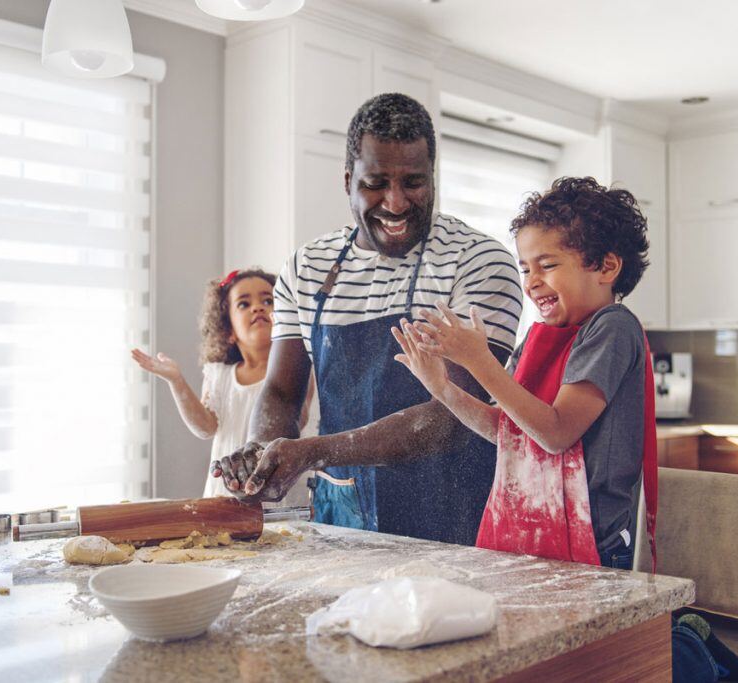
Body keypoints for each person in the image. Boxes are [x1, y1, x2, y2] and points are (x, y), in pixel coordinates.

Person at [213, 93, 523, 545]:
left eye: (414, 183)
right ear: (348, 181)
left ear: (434, 179)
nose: (396, 203)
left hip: (455, 517)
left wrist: (313, 452)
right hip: (341, 522)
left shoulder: (477, 261)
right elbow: (281, 391)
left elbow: (454, 416)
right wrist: (261, 455)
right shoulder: (307, 268)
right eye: (376, 183)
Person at [393, 176, 657, 568]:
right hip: (531, 537)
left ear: (607, 267)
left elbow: (555, 432)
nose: (532, 283)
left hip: (593, 552)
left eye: (547, 266)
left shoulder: (612, 328)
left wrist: (480, 361)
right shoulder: (536, 339)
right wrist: (443, 388)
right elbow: (506, 433)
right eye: (525, 269)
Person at [132, 268, 314, 500]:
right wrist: (176, 381)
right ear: (228, 330)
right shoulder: (219, 374)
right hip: (226, 491)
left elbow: (298, 419)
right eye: (243, 304)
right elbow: (206, 427)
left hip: (276, 491)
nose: (258, 307)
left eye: (268, 300)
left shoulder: (299, 367)